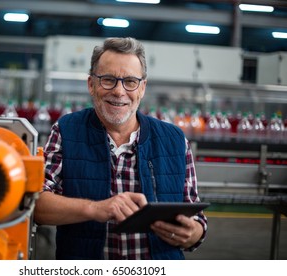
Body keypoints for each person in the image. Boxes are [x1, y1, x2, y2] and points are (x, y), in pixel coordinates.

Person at [34, 37, 207, 260]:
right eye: (108, 80)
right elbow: (37, 204)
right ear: (91, 84)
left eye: (130, 82)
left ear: (142, 88)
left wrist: (192, 233)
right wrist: (95, 209)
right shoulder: (67, 131)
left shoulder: (174, 140)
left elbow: (197, 218)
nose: (119, 91)